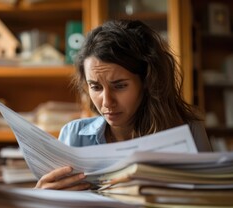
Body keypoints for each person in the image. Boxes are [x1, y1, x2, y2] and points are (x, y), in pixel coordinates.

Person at [35, 19, 212, 190]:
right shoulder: (73, 135)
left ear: (147, 81)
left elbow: (213, 203)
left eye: (120, 86)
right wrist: (41, 196)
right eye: (95, 87)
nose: (106, 102)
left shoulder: (189, 131)